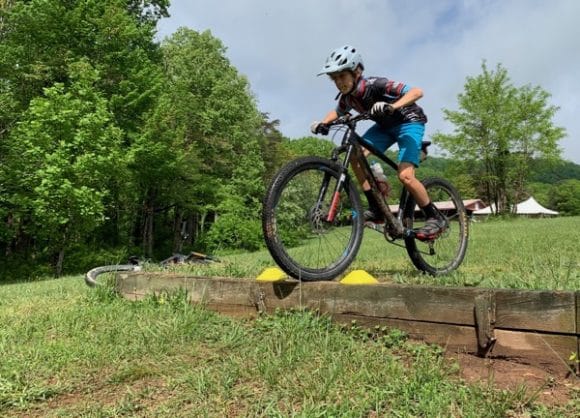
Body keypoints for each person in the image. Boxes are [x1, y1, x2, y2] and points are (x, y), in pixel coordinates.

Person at [310, 45, 446, 240]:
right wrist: (323, 123)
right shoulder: (347, 98)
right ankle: (376, 207)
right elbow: (337, 112)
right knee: (355, 156)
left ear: (356, 71)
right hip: (384, 127)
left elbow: (417, 92)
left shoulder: (376, 84)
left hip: (409, 122)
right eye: (334, 79)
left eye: (342, 76)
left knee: (405, 176)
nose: (339, 82)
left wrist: (392, 106)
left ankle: (435, 217)